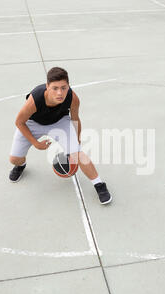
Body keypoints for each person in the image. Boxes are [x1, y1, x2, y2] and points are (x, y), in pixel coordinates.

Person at [8, 67, 112, 205]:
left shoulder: (73, 98)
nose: (60, 92)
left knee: (78, 154)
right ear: (47, 87)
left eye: (64, 88)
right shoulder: (35, 99)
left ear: (68, 86)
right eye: (55, 88)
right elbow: (19, 122)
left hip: (60, 123)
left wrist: (77, 139)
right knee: (14, 159)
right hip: (32, 124)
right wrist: (36, 143)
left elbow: (75, 119)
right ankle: (21, 165)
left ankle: (99, 185)